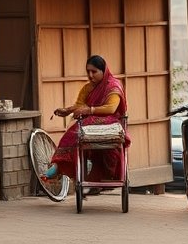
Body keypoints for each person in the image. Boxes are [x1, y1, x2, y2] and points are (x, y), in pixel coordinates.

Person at [41, 55, 129, 189]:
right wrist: (68, 110)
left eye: (94, 72)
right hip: (90, 121)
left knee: (77, 130)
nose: (90, 75)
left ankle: (58, 167)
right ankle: (59, 165)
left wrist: (89, 110)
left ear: (103, 71)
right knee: (74, 133)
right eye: (88, 71)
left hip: (110, 121)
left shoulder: (113, 86)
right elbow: (80, 105)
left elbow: (111, 108)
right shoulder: (87, 88)